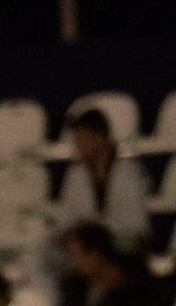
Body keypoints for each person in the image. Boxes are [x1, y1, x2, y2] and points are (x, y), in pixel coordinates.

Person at [55, 107, 151, 253]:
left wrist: (94, 232)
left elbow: (134, 226)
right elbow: (68, 218)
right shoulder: (76, 174)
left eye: (82, 140)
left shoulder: (129, 172)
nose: (78, 147)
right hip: (85, 251)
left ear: (99, 138)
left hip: (124, 249)